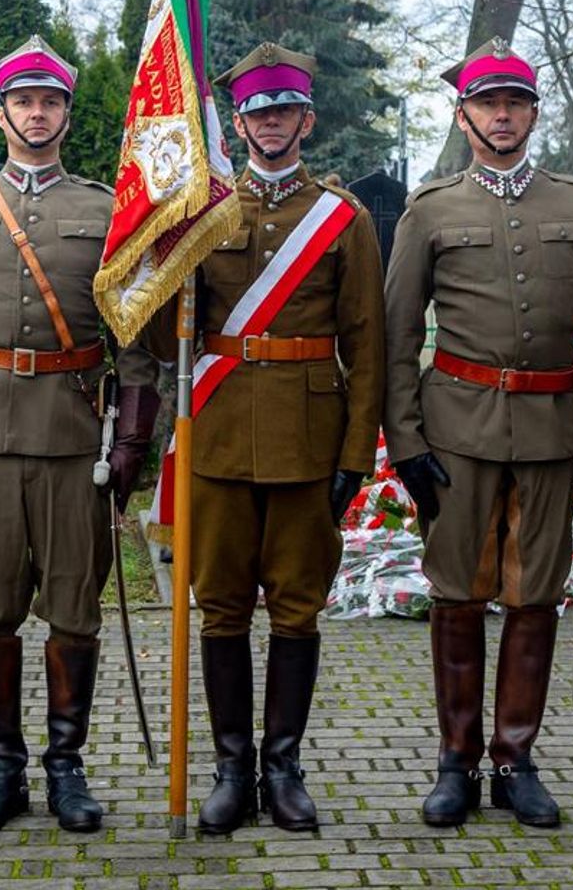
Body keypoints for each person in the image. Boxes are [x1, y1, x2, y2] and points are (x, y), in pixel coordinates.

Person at [0, 36, 160, 835]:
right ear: (2, 112)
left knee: (74, 611)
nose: (36, 113)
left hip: (73, 434)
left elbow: (136, 341)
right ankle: (2, 767)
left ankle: (67, 766)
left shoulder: (104, 209)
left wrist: (130, 445)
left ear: (66, 113)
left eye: (50, 101)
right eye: (23, 101)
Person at [383, 38, 573, 830]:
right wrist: (407, 438)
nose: (501, 116)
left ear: (533, 113)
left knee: (535, 596)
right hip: (457, 429)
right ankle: (456, 760)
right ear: (463, 114)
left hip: (555, 429)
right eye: (487, 103)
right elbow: (395, 333)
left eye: (514, 103)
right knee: (457, 595)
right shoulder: (431, 208)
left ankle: (514, 759)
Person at [149, 42, 385, 834]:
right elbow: (162, 348)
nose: (271, 122)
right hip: (216, 437)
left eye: (284, 109)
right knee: (219, 607)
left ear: (306, 119)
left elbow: (369, 344)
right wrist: (158, 268)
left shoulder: (343, 221)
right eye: (257, 111)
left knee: (296, 609)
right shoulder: (204, 215)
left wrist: (356, 456)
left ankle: (283, 767)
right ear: (240, 121)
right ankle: (229, 768)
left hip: (307, 441)